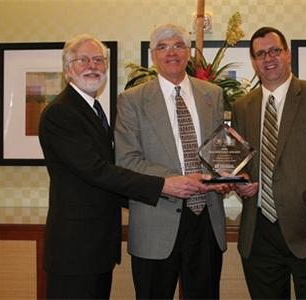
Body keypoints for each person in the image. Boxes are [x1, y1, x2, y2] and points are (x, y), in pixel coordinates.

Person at [39, 34, 208, 299]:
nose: (92, 65)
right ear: (67, 68)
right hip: (75, 247)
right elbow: (97, 170)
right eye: (82, 60)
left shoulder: (92, 109)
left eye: (98, 59)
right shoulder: (61, 112)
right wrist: (164, 185)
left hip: (95, 245)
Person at [231, 26, 306, 299]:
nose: (268, 58)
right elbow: (242, 164)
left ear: (287, 54)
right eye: (260, 54)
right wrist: (242, 183)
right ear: (253, 61)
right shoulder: (242, 107)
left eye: (275, 51)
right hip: (259, 233)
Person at [115, 24, 227, 299]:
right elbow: (127, 160)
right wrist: (172, 182)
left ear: (187, 52)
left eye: (177, 45)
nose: (171, 53)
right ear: (153, 56)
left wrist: (224, 174)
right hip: (155, 219)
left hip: (206, 219)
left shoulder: (212, 94)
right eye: (162, 47)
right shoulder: (132, 100)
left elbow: (217, 151)